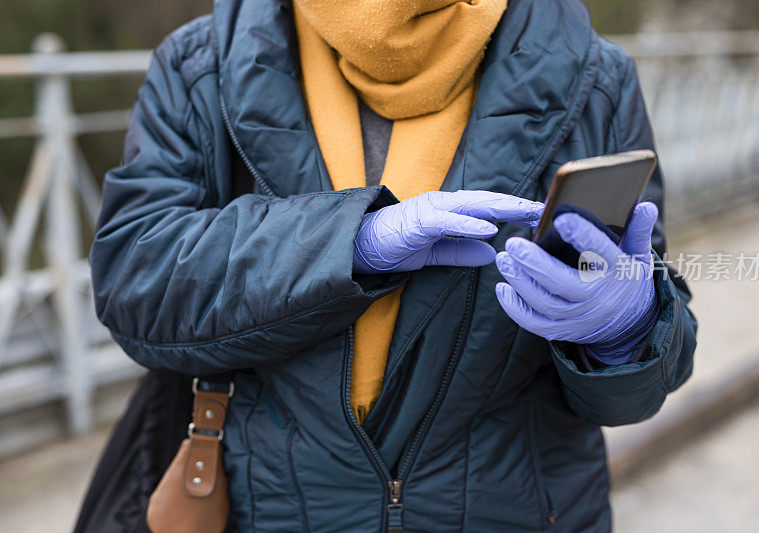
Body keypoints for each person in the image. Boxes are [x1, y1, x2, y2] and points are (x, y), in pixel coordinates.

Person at [88, 0, 697, 531]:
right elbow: (134, 278)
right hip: (264, 510)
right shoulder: (201, 65)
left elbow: (636, 392)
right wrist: (354, 243)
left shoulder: (596, 77)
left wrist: (626, 331)